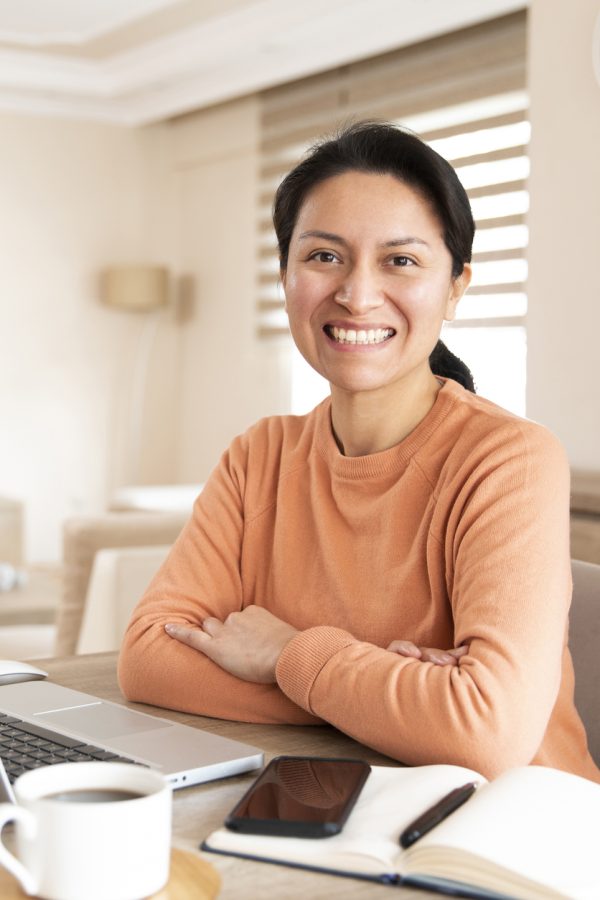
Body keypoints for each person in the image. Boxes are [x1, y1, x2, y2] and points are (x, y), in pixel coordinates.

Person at [118, 122, 600, 783]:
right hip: (336, 800)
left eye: (400, 261)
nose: (357, 294)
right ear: (286, 274)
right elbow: (148, 660)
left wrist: (290, 655)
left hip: (516, 839)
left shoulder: (509, 460)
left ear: (456, 286)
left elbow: (487, 734)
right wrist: (396, 698)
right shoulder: (258, 456)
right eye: (323, 257)